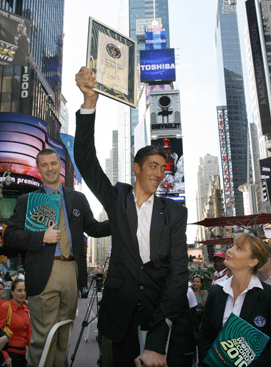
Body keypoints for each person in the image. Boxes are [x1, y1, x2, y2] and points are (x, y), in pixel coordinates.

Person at [74, 66, 194, 367]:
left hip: (158, 314)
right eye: (152, 166)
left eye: (163, 168)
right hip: (118, 314)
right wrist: (89, 102)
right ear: (137, 168)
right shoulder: (117, 198)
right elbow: (86, 161)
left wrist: (157, 340)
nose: (159, 173)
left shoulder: (175, 213)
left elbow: (178, 273)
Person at [3, 148, 111, 367]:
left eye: (53, 163)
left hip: (71, 270)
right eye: (44, 165)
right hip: (44, 271)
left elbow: (94, 228)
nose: (50, 168)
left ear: (60, 166)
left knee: (64, 333)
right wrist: (41, 236)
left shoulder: (78, 199)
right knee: (44, 336)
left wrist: (120, 220)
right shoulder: (28, 200)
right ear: (39, 169)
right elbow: (10, 236)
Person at [199, 233, 271, 366]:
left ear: (252, 261)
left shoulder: (269, 296)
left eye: (239, 248)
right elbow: (205, 336)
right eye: (232, 246)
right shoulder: (216, 292)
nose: (229, 250)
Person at [1, 279, 31, 367]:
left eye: (25, 290)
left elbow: (28, 332)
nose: (23, 293)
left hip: (22, 355)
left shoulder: (25, 308)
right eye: (19, 290)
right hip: (10, 356)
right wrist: (5, 356)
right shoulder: (5, 308)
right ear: (12, 292)